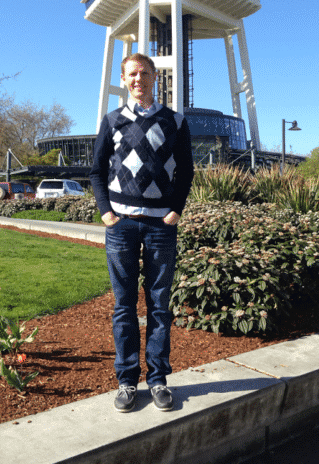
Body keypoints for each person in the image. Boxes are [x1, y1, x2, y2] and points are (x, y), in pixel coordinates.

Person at [90, 52, 194, 414]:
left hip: (159, 227)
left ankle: (159, 379)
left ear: (155, 77)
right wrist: (106, 212)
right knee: (123, 306)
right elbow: (96, 171)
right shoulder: (113, 120)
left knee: (160, 305)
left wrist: (174, 211)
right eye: (132, 74)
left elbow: (186, 172)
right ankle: (126, 381)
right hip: (122, 226)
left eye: (145, 73)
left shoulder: (175, 121)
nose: (139, 79)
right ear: (124, 78)